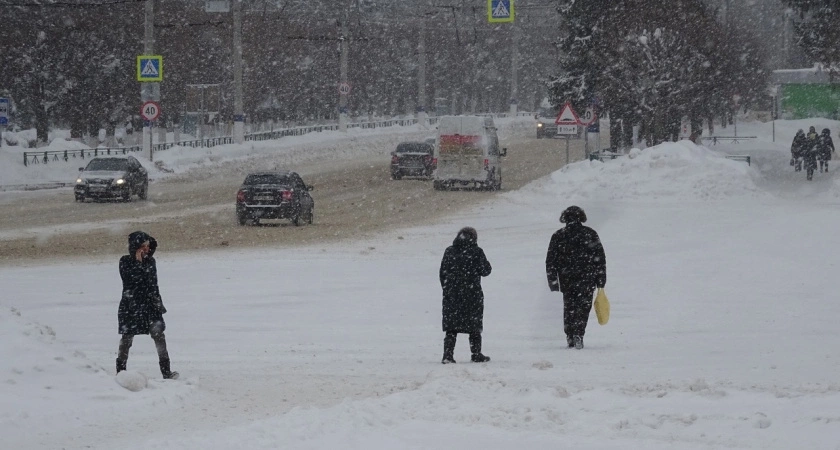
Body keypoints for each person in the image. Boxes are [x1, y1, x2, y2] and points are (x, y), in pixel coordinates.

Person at [116, 231, 179, 379]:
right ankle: (120, 371)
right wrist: (137, 264)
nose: (146, 249)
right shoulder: (124, 261)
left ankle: (166, 371)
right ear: (135, 247)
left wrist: (157, 304)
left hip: (150, 306)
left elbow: (150, 283)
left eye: (148, 246)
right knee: (127, 338)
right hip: (131, 306)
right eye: (143, 246)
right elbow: (130, 282)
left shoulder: (151, 262)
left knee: (159, 337)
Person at [545, 206, 607, 349]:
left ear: (564, 218)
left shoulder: (558, 235)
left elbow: (550, 261)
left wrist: (553, 281)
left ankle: (570, 335)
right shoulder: (590, 234)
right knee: (583, 307)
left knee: (569, 307)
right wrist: (600, 280)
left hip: (567, 278)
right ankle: (579, 333)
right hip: (587, 277)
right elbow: (599, 258)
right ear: (581, 217)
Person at [439, 227, 492, 364]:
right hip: (472, 294)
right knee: (474, 326)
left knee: (451, 328)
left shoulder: (449, 251)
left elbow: (442, 273)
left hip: (452, 295)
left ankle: (447, 355)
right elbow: (486, 271)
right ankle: (476, 354)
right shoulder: (476, 252)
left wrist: (447, 288)